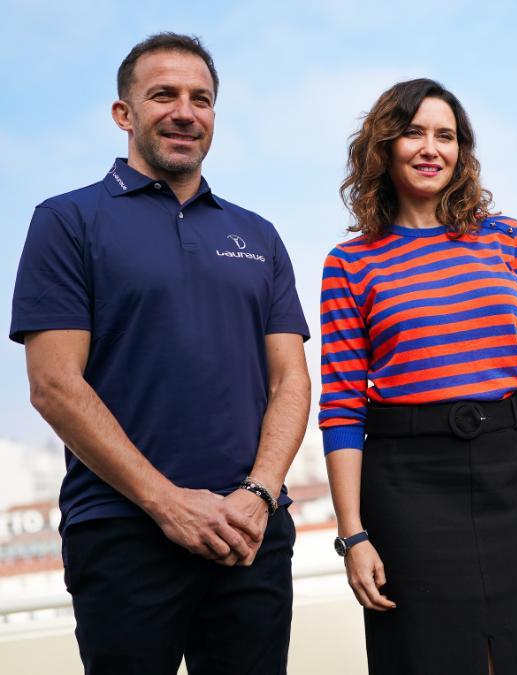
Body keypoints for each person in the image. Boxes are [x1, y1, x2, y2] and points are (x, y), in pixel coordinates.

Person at [9, 32, 310, 674]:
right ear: (124, 113)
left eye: (201, 99)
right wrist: (167, 502)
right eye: (163, 95)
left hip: (250, 533)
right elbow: (54, 384)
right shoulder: (67, 221)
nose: (184, 111)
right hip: (122, 532)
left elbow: (290, 380)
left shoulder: (256, 234)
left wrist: (258, 494)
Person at [319, 78, 517, 674]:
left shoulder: (504, 237)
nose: (431, 148)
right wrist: (353, 535)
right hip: (408, 488)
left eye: (447, 135)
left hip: (512, 474)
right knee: (429, 657)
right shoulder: (349, 263)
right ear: (383, 147)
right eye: (413, 133)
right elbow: (340, 406)